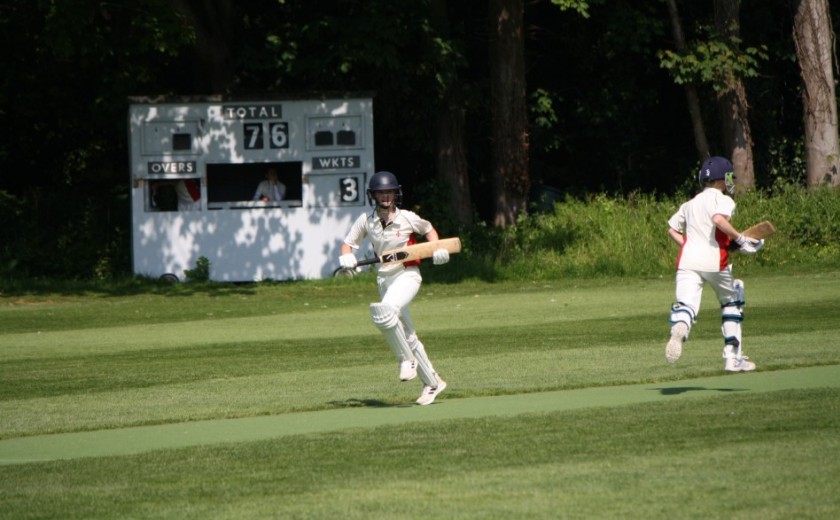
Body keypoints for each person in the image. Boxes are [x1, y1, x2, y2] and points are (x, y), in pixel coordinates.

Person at [339, 171, 451, 405]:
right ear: (373, 196)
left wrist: (437, 248)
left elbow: (429, 229)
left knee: (385, 310)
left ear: (396, 194)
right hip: (384, 278)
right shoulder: (366, 221)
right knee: (407, 334)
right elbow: (348, 245)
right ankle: (432, 383)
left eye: (389, 192)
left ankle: (405, 360)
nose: (386, 196)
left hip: (407, 274)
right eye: (381, 192)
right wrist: (346, 258)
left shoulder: (407, 217)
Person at [664, 156, 764, 372]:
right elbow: (718, 220)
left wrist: (689, 244)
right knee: (732, 299)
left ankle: (680, 326)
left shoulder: (689, 204)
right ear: (724, 178)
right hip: (714, 261)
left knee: (686, 304)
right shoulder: (723, 200)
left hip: (687, 260)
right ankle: (732, 357)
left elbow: (672, 229)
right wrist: (740, 239)